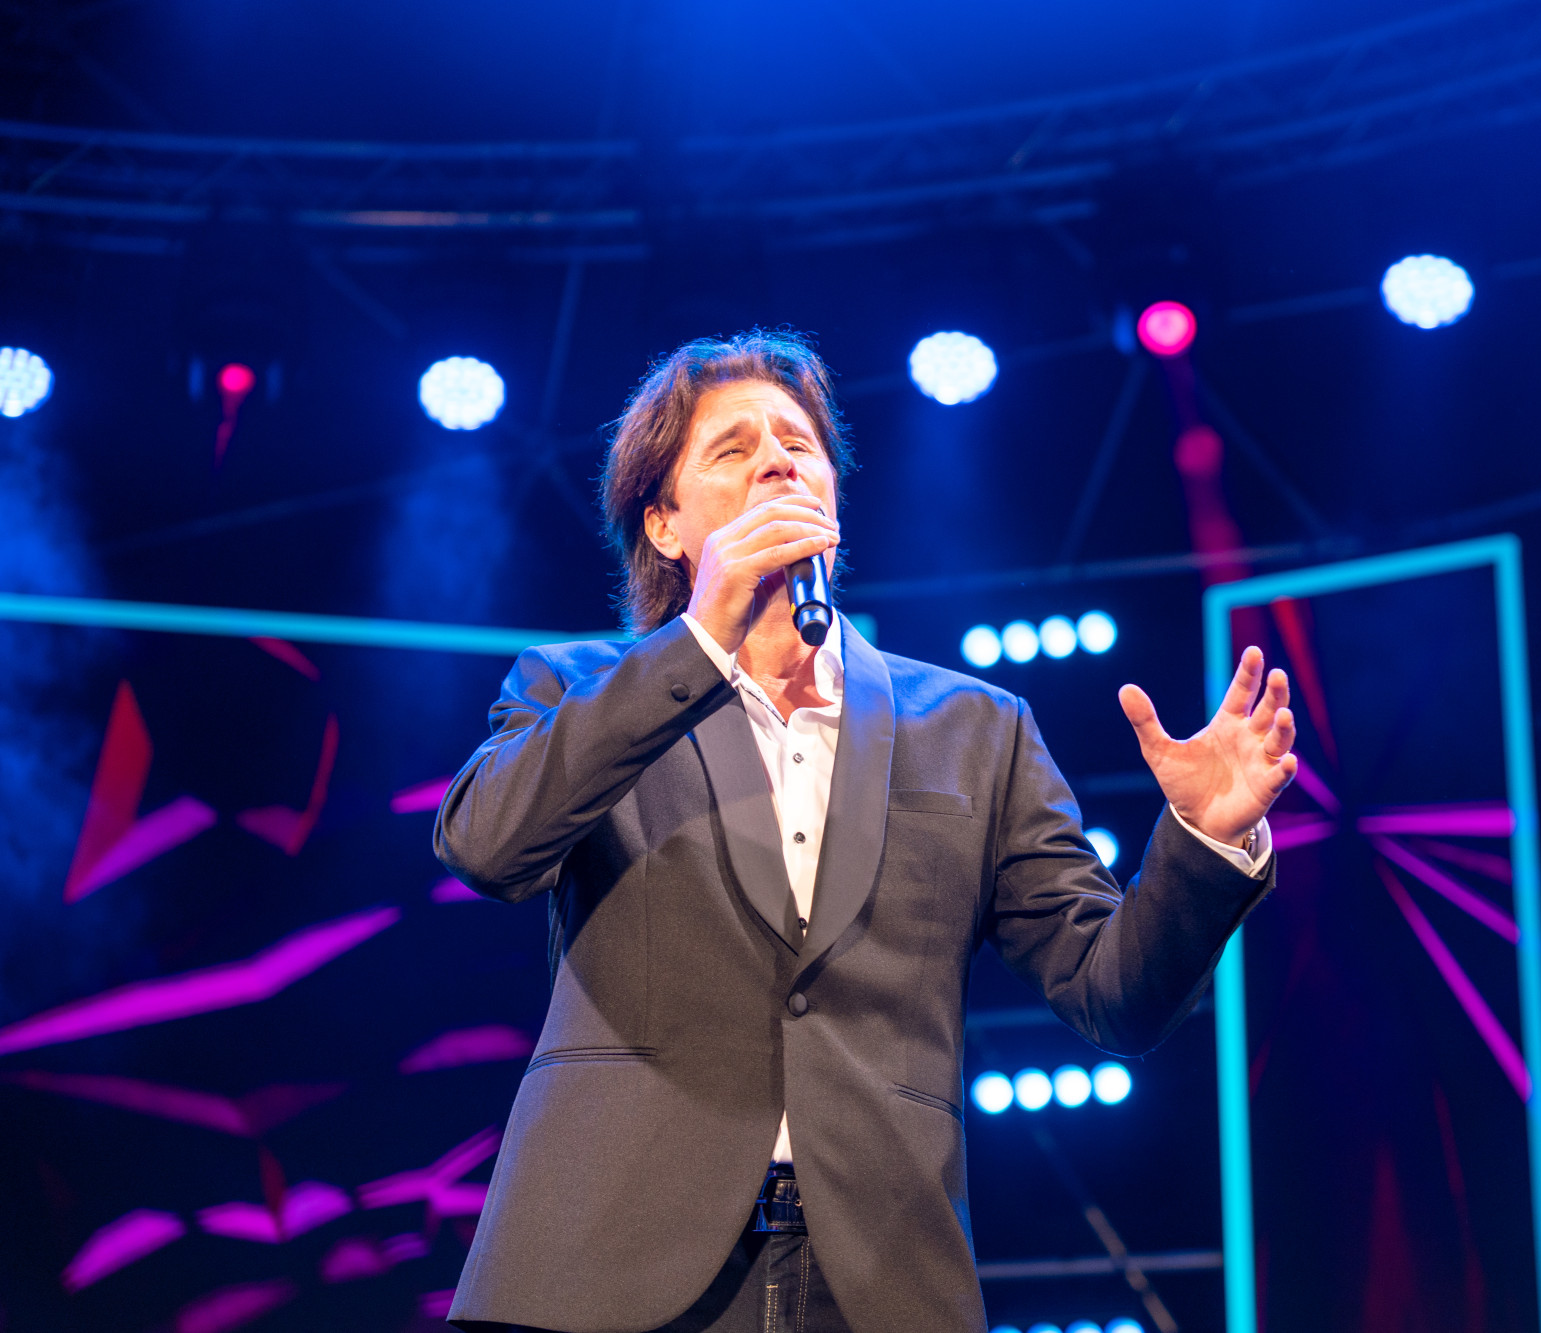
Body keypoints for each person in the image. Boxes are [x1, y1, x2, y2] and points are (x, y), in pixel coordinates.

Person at [437, 330, 1296, 1333]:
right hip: (610, 1267)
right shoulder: (577, 688)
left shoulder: (974, 729)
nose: (775, 461)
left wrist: (1202, 840)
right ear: (664, 523)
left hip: (878, 1276)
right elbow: (486, 845)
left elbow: (1115, 997)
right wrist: (700, 641)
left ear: (834, 501)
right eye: (732, 448)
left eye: (797, 444)